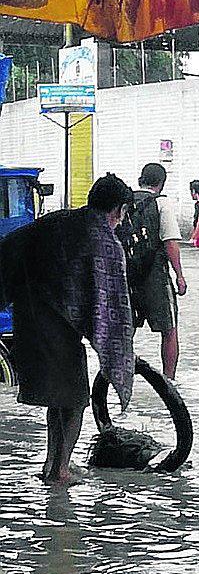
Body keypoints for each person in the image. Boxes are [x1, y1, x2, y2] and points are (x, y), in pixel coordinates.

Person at [0, 174, 136, 484]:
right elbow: (113, 307)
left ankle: (51, 464)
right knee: (75, 401)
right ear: (118, 209)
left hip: (28, 318)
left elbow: (9, 248)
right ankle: (60, 471)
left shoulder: (57, 221)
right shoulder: (104, 240)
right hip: (58, 326)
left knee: (57, 398)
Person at [127, 163, 186, 380]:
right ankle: (169, 382)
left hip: (127, 278)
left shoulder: (125, 203)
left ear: (141, 178)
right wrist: (179, 276)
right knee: (169, 331)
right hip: (155, 277)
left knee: (126, 332)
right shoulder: (162, 204)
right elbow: (170, 243)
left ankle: (122, 378)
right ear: (161, 183)